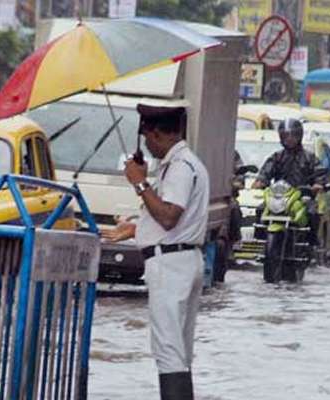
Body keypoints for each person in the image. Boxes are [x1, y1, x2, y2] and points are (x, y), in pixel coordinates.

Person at [102, 104, 209, 400]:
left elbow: (169, 216)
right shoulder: (183, 164)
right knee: (179, 351)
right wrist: (137, 228)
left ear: (158, 133)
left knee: (169, 351)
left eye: (148, 137)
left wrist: (139, 183)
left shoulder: (180, 167)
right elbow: (172, 221)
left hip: (171, 265)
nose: (147, 146)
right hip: (181, 258)